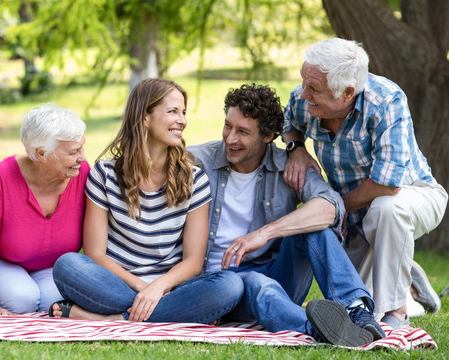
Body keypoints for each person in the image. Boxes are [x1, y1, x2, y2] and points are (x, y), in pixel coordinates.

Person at [188, 83, 384, 347]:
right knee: (257, 283)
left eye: (243, 132)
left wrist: (263, 233)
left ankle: (356, 311)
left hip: (276, 275)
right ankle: (320, 329)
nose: (230, 138)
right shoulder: (199, 160)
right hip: (216, 285)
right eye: (228, 126)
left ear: (268, 136)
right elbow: (143, 162)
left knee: (315, 227)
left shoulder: (289, 167)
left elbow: (330, 206)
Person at [282, 38, 448, 329]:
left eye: (314, 89)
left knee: (386, 209)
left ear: (347, 92)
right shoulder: (305, 97)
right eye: (304, 83)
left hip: (413, 195)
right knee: (356, 305)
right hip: (354, 214)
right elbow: (289, 123)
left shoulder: (385, 100)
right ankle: (414, 287)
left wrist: (330, 208)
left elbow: (388, 185)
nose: (303, 94)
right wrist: (296, 149)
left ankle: (397, 314)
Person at [50, 78, 243, 324]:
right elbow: (95, 255)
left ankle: (111, 319)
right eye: (173, 111)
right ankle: (170, 312)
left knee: (230, 285)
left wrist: (159, 287)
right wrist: (144, 289)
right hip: (115, 284)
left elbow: (194, 261)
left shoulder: (195, 179)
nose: (182, 120)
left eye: (183, 112)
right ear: (145, 118)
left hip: (170, 285)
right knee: (68, 265)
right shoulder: (104, 174)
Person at [0, 103, 89, 315]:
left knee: (52, 302)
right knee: (23, 300)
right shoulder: (1, 177)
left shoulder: (81, 173)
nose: (82, 158)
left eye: (82, 148)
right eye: (74, 152)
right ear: (41, 153)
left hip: (49, 267)